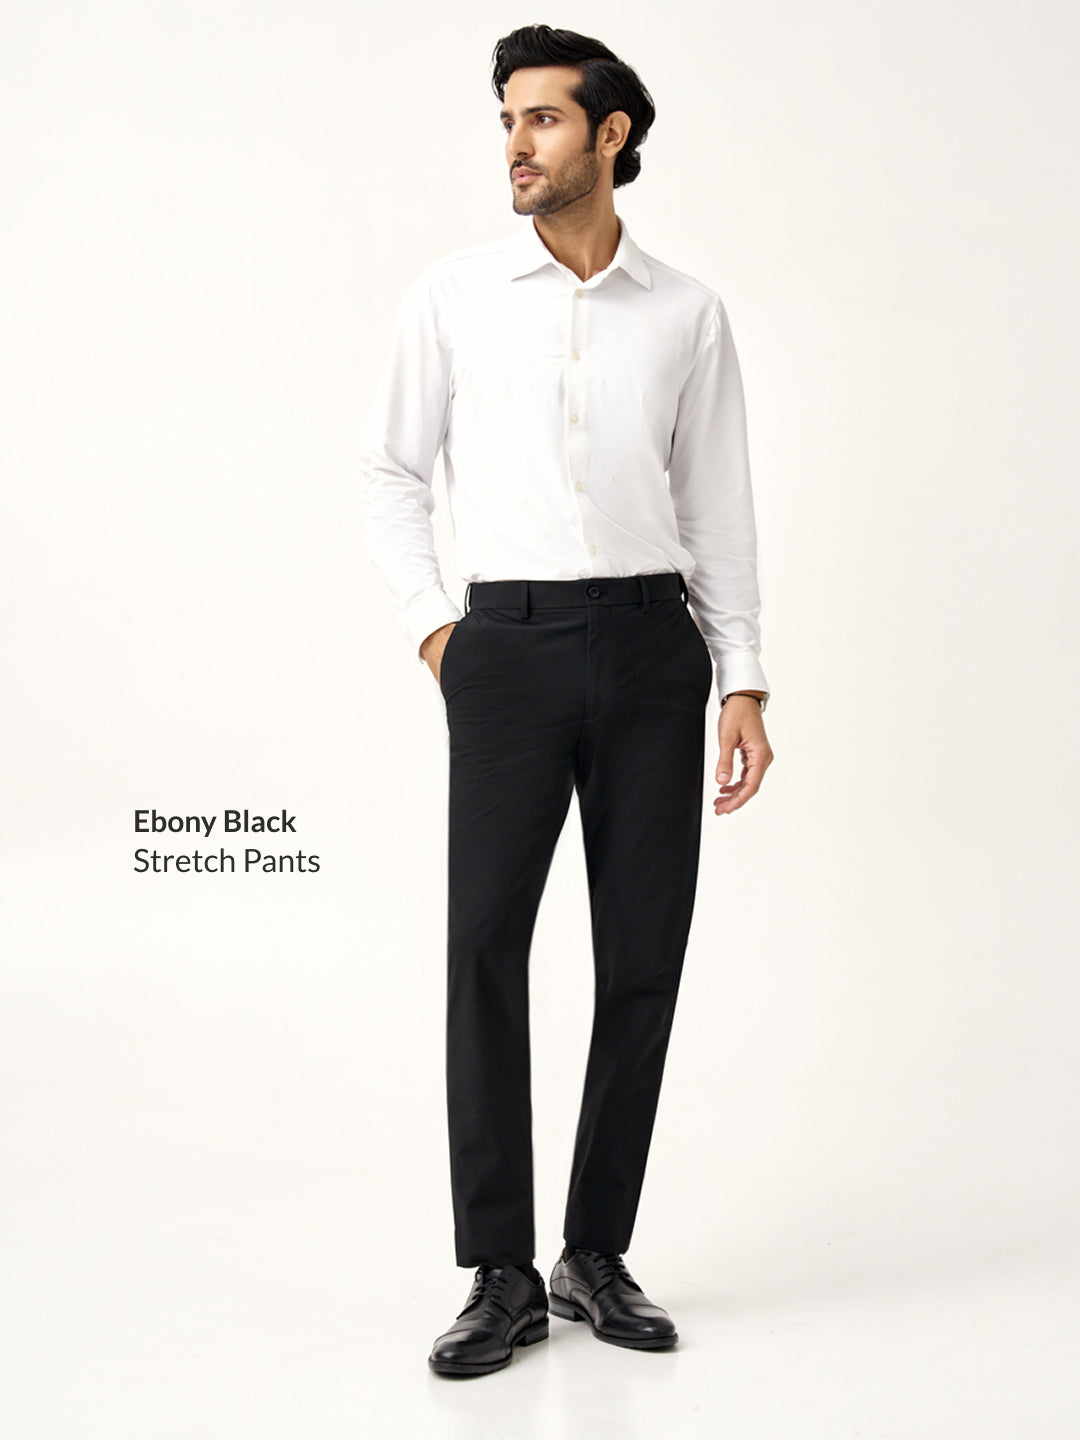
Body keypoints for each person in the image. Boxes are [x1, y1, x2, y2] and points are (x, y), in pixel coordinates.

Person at [360, 23, 774, 1377]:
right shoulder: (456, 296)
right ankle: (500, 1271)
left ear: (611, 134)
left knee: (642, 956)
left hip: (656, 650)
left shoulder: (686, 313)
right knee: (485, 946)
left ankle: (594, 1252)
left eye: (542, 118)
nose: (516, 144)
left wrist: (743, 675)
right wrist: (439, 633)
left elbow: (717, 505)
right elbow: (389, 472)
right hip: (509, 646)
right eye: (507, 119)